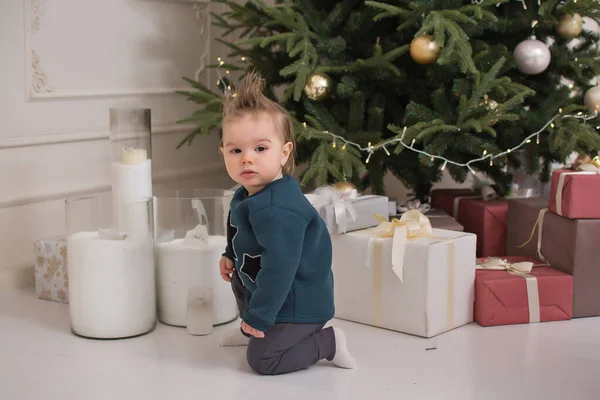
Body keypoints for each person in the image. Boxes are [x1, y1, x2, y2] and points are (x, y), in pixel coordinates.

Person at [217, 71, 357, 375]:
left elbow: (280, 269)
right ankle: (251, 327)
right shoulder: (248, 193)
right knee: (242, 279)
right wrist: (231, 252)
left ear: (284, 152)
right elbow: (241, 230)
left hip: (297, 303)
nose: (247, 159)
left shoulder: (279, 210)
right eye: (236, 150)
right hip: (266, 288)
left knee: (262, 361)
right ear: (224, 153)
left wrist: (261, 316)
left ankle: (327, 341)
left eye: (260, 148)